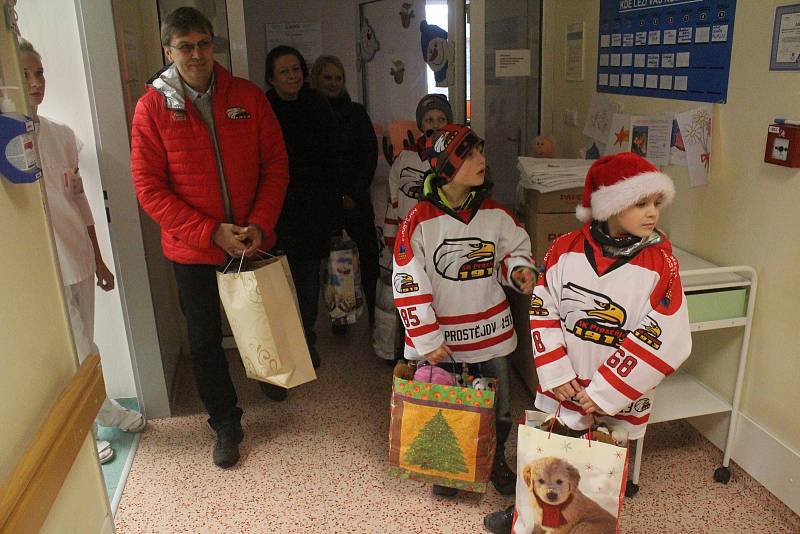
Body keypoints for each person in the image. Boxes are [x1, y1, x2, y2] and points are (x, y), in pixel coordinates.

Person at [483, 152, 692, 533]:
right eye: (641, 202)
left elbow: (666, 336)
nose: (652, 213)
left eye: (656, 204)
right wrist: (557, 371)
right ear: (609, 205)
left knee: (600, 466)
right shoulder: (563, 249)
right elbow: (544, 310)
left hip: (614, 391)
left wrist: (605, 391)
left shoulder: (661, 265)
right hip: (567, 381)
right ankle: (524, 516)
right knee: (548, 455)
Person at [130, 7, 289, 469]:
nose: (197, 54)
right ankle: (224, 421)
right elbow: (148, 189)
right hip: (194, 247)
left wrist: (258, 223)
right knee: (203, 340)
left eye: (203, 43)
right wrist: (209, 232)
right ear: (168, 51)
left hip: (249, 238)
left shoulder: (246, 96)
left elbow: (275, 165)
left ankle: (267, 376)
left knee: (261, 320)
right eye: (185, 46)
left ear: (213, 44)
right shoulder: (152, 107)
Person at [392, 124, 537, 497]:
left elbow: (513, 251)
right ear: (446, 166)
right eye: (469, 155)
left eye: (480, 153)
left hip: (491, 332)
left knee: (500, 408)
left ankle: (495, 457)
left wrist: (519, 270)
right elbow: (408, 280)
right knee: (444, 404)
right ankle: (448, 466)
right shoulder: (418, 221)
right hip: (441, 339)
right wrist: (426, 336)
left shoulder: (497, 214)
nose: (482, 161)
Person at [20, 39, 145, 464]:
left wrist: (98, 258)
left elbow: (79, 200)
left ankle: (96, 412)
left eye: (40, 73)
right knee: (77, 352)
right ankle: (92, 420)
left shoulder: (59, 135)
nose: (36, 83)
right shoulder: (8, 142)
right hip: (39, 269)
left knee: (85, 344)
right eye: (25, 75)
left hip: (75, 256)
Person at [264, 46, 342, 377]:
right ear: (271, 77)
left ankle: (306, 339)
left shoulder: (318, 104)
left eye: (296, 69)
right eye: (284, 71)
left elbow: (331, 158)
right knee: (280, 283)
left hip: (313, 210)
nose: (292, 76)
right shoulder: (264, 108)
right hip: (277, 209)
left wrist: (333, 210)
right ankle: (284, 345)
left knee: (309, 280)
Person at [380, 93, 453, 361]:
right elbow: (393, 197)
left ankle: (442, 350)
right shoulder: (406, 158)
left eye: (441, 119)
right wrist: (391, 235)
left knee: (440, 297)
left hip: (443, 238)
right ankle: (406, 351)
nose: (435, 124)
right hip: (409, 237)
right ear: (421, 123)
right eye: (429, 119)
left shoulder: (457, 157)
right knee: (411, 294)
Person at [310, 54, 379, 332]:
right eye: (327, 77)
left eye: (338, 78)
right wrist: (333, 195)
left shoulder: (357, 112)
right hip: (323, 203)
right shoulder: (309, 112)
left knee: (369, 259)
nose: (334, 83)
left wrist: (352, 192)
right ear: (316, 78)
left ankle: (377, 318)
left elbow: (369, 156)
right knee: (331, 264)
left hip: (356, 200)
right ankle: (339, 317)